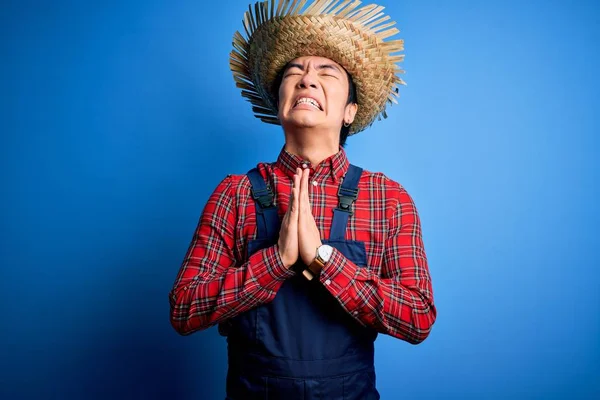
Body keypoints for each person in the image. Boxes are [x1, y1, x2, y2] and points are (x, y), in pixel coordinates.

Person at [169, 0, 437, 398]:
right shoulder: (235, 193)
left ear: (350, 110)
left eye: (326, 72)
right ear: (279, 103)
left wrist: (324, 261)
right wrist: (275, 262)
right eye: (294, 71)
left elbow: (417, 318)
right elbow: (184, 308)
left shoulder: (387, 199)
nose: (307, 78)